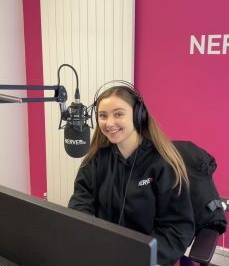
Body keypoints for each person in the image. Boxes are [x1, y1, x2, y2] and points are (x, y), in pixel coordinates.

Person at [68, 84, 195, 266]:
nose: (109, 123)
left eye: (118, 114)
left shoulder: (162, 163)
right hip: (104, 253)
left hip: (148, 259)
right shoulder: (96, 159)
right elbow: (80, 203)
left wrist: (144, 259)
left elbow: (178, 227)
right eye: (103, 115)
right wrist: (90, 241)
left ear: (138, 115)